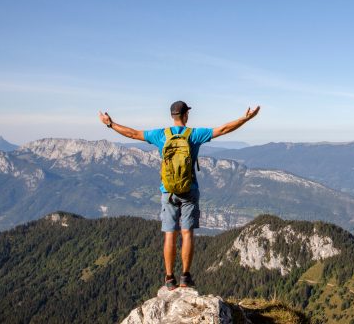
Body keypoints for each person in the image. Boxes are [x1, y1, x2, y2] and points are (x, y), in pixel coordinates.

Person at [98, 101, 260, 289]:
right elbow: (223, 129)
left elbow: (132, 133)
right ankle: (185, 276)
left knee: (170, 234)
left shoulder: (160, 135)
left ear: (172, 116)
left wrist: (110, 124)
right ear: (186, 115)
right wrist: (245, 118)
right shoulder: (195, 134)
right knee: (187, 232)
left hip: (167, 191)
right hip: (189, 190)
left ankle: (169, 278)